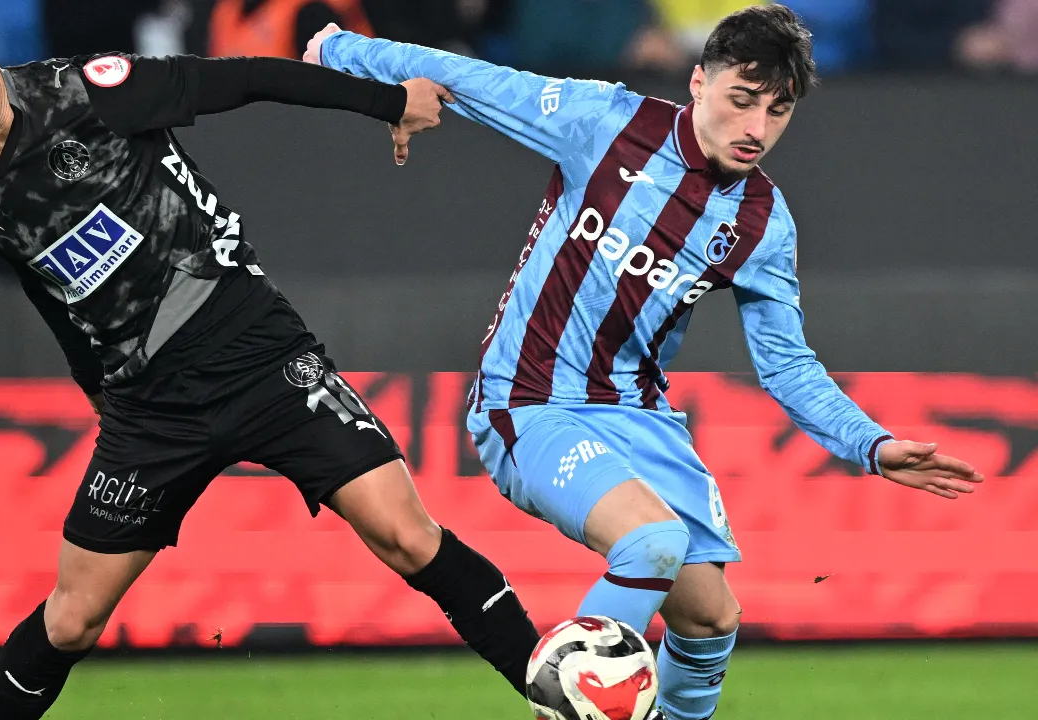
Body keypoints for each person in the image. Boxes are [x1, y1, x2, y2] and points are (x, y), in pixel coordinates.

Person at [0, 1, 542, 717]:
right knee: (72, 619)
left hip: (256, 353)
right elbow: (47, 282)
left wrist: (389, 102)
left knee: (408, 538)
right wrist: (96, 386)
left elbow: (246, 78)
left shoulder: (92, 91)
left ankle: (556, 692)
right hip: (148, 411)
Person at [304, 5, 985, 719]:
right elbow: (470, 78)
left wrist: (870, 445)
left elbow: (787, 366)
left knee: (711, 617)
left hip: (640, 417)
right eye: (742, 100)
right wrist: (339, 50)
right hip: (529, 403)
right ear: (699, 82)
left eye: (778, 111)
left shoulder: (762, 223)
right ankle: (573, 702)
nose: (756, 128)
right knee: (652, 542)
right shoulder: (606, 123)